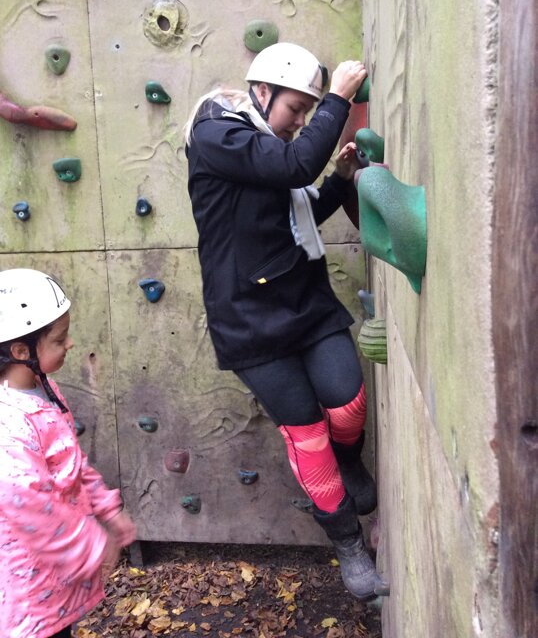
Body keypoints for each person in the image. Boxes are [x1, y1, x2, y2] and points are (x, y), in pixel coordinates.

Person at [185, 42, 388, 600]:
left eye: (307, 112)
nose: (300, 122)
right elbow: (294, 165)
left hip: (302, 299)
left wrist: (340, 180)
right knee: (307, 436)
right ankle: (349, 546)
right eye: (296, 109)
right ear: (262, 91)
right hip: (248, 321)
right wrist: (338, 99)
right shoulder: (217, 134)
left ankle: (350, 460)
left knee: (347, 403)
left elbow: (299, 212)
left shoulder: (262, 147)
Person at [0, 268, 137, 638]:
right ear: (21, 351)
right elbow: (24, 500)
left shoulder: (45, 389)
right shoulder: (9, 424)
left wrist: (108, 508)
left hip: (55, 573)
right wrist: (89, 546)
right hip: (27, 586)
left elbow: (70, 460)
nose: (71, 343)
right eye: (60, 339)